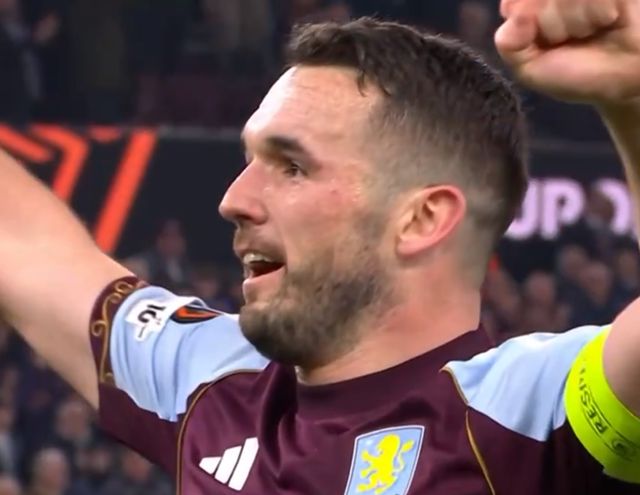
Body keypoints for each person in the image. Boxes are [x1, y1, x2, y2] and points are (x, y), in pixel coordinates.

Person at [1, 2, 640, 494]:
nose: (234, 199)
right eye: (249, 160)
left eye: (292, 167)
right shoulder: (210, 379)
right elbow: (22, 243)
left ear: (422, 218)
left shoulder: (522, 413)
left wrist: (632, 95)